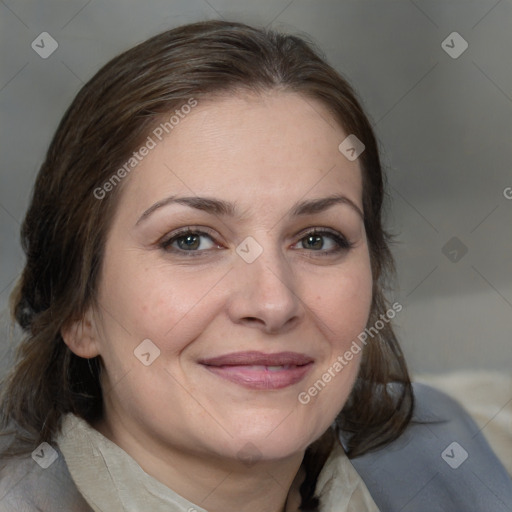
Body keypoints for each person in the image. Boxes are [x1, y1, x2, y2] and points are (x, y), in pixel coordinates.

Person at [0, 20, 510, 512]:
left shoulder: (448, 455)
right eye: (191, 240)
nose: (273, 302)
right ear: (78, 310)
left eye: (317, 239)